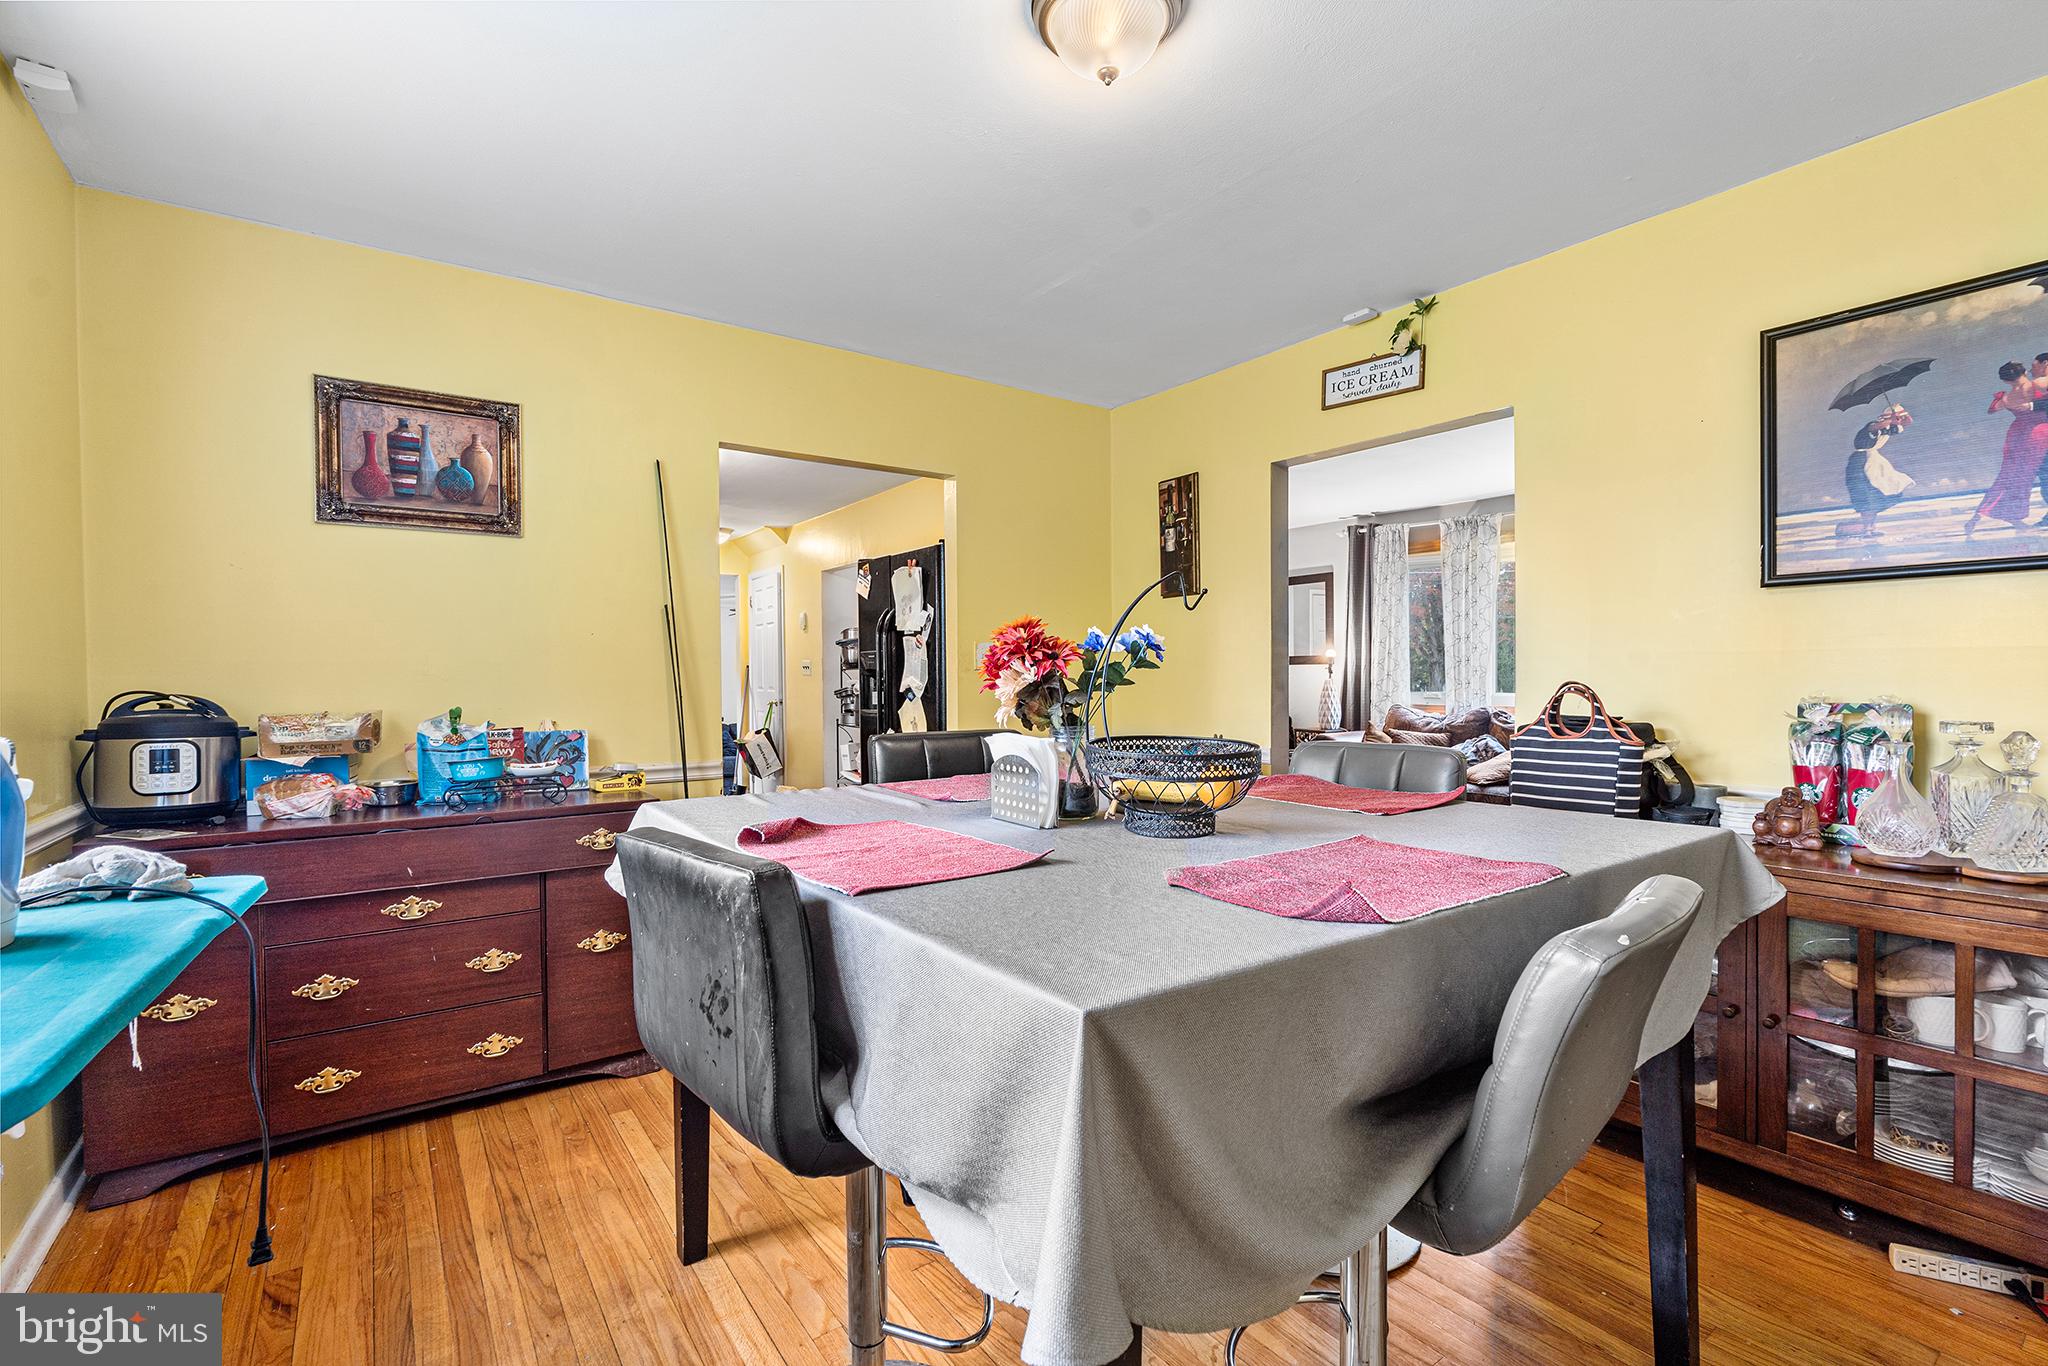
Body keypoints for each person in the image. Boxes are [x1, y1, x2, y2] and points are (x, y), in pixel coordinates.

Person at [1965, 361, 2048, 535]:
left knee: (2010, 476)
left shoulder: (2007, 397)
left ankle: (1979, 516)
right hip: (2038, 433)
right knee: (2029, 477)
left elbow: (1992, 410)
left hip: (2018, 435)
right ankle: (2010, 514)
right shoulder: (2039, 384)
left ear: (2005, 380)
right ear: (2025, 371)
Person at [1838, 404, 1914, 538]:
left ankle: (1871, 528)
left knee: (1875, 496)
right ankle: (1867, 529)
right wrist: (1891, 419)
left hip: (1873, 462)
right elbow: (1874, 427)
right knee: (1866, 498)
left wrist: (1900, 418)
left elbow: (1908, 422)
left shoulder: (1889, 428)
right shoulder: (1874, 425)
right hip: (1860, 464)